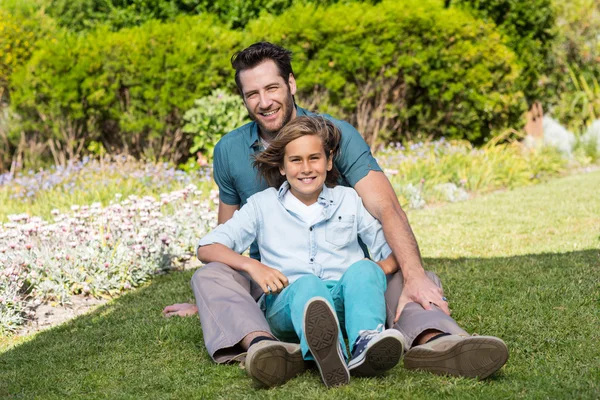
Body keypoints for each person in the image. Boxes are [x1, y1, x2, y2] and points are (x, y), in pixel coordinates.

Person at [163, 42, 508, 383]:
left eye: (272, 88)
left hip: (347, 283)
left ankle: (436, 343)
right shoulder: (231, 151)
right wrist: (221, 304)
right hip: (278, 287)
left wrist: (412, 274)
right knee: (210, 277)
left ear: (291, 85)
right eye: (252, 93)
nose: (264, 101)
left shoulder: (336, 137)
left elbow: (386, 207)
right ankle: (264, 347)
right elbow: (221, 242)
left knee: (405, 274)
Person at [196, 116, 407, 387]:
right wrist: (252, 266)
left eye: (314, 158)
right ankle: (329, 353)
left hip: (343, 299)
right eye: (295, 160)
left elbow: (390, 249)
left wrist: (375, 272)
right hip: (287, 302)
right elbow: (207, 247)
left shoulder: (349, 199)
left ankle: (364, 344)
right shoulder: (262, 205)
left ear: (329, 161)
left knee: (364, 268)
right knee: (308, 285)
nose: (306, 169)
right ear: (282, 167)